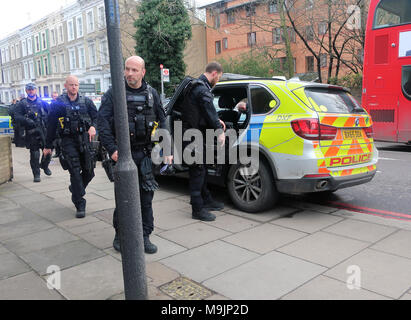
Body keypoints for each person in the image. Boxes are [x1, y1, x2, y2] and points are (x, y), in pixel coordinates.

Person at [97, 56, 173, 254]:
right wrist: (113, 150)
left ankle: (144, 236)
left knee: (146, 199)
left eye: (134, 70)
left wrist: (167, 149)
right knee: (125, 199)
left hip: (146, 155)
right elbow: (102, 124)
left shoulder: (152, 94)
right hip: (122, 155)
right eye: (127, 69)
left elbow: (163, 121)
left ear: (143, 72)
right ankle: (120, 235)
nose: (129, 73)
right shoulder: (114, 93)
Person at [43, 76, 98, 218]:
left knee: (89, 171)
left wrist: (93, 126)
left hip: (84, 139)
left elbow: (97, 117)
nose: (74, 87)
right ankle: (80, 203)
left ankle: (75, 189)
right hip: (67, 140)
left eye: (76, 85)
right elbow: (51, 125)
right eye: (71, 85)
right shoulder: (58, 104)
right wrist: (48, 146)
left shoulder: (86, 101)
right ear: (66, 86)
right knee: (74, 170)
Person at [181, 62, 226, 222]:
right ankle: (197, 209)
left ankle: (206, 200)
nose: (218, 80)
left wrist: (217, 121)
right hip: (194, 137)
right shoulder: (201, 89)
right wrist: (219, 132)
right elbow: (208, 110)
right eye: (219, 77)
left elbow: (204, 112)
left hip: (194, 134)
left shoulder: (197, 86)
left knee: (203, 170)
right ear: (214, 73)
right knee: (197, 172)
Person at [14, 83, 52, 182]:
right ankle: (36, 174)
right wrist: (26, 120)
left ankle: (44, 165)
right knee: (35, 154)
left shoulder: (42, 102)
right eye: (29, 90)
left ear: (36, 90)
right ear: (26, 91)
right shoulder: (22, 103)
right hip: (32, 132)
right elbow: (17, 116)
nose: (31, 91)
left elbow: (51, 114)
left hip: (43, 131)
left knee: (48, 152)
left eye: (33, 89)